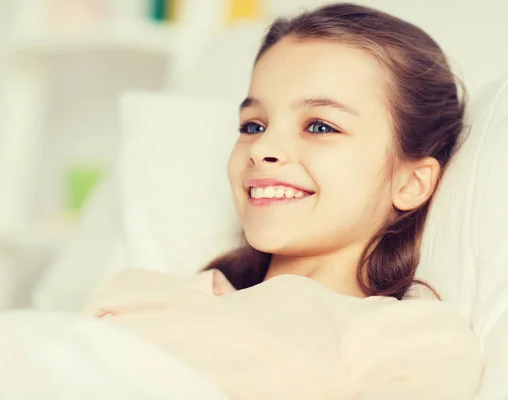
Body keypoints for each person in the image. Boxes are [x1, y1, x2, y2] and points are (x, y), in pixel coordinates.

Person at [84, 3, 482, 399]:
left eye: (320, 126)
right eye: (253, 126)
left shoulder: (403, 338)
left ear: (411, 181)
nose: (262, 148)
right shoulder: (136, 292)